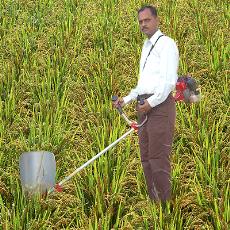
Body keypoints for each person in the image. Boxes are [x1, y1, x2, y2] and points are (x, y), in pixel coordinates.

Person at [113, 5, 179, 202]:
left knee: (158, 159)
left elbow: (168, 82)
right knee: (146, 158)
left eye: (147, 20)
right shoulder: (146, 46)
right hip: (144, 106)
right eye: (140, 21)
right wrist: (127, 99)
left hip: (159, 107)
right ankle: (154, 203)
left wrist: (150, 103)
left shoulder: (166, 44)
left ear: (157, 20)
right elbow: (143, 83)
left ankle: (165, 207)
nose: (143, 24)